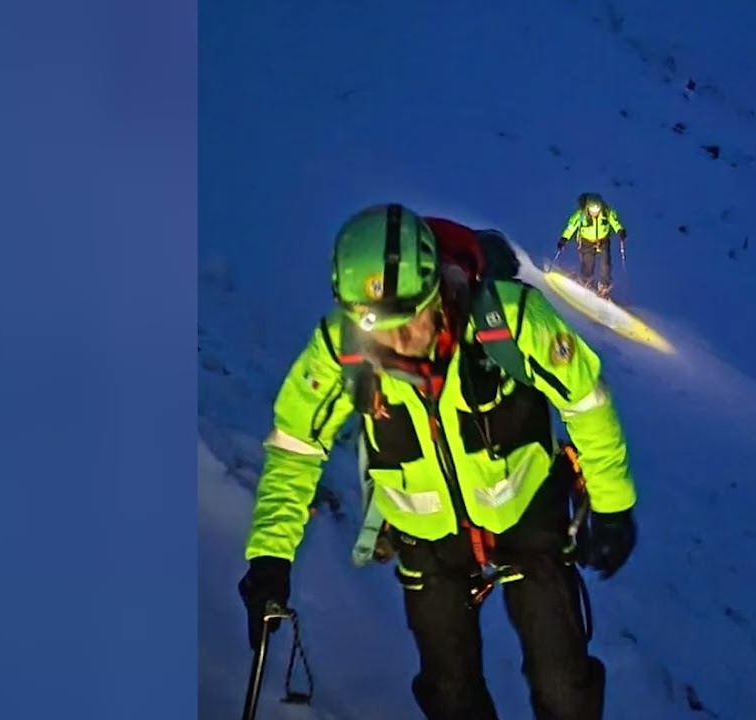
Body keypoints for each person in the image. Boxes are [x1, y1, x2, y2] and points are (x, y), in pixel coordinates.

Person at [237, 203, 639, 720]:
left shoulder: (510, 320)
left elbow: (586, 400)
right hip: (426, 538)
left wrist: (612, 505)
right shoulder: (339, 352)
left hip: (527, 517)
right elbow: (296, 448)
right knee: (449, 692)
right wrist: (270, 557)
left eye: (412, 322)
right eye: (383, 331)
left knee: (563, 684)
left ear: (439, 292)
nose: (402, 344)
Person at [556, 192, 627, 298]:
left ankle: (604, 285)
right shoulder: (581, 215)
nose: (595, 214)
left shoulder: (606, 211)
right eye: (593, 212)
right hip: (586, 241)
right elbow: (571, 227)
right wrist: (564, 238)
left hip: (603, 240)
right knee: (588, 262)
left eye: (597, 211)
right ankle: (586, 280)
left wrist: (620, 230)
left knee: (605, 263)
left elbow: (614, 221)